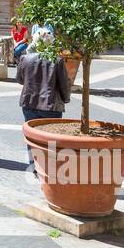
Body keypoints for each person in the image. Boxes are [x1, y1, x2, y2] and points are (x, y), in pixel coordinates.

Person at [17, 27, 72, 164]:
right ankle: (49, 165)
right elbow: (64, 83)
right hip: (51, 105)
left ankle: (34, 165)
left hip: (29, 102)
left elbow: (19, 79)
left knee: (32, 136)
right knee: (51, 137)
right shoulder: (57, 60)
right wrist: (66, 98)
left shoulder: (25, 58)